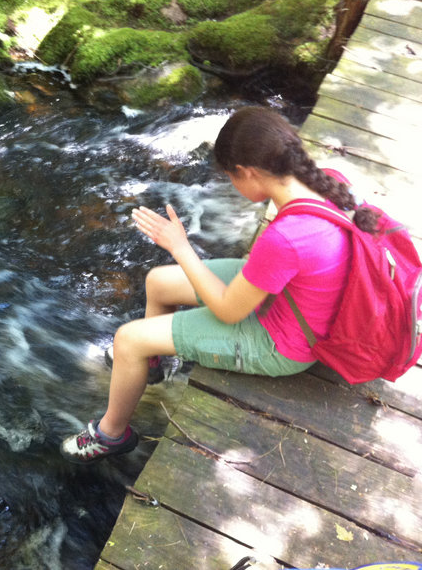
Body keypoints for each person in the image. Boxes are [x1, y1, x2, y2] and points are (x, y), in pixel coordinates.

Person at [60, 106, 379, 464]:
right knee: (158, 281)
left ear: (246, 172)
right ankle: (150, 364)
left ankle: (110, 435)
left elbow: (229, 311)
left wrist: (180, 247)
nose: (232, 185)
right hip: (287, 297)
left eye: (231, 177)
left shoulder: (286, 239)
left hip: (283, 343)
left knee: (127, 339)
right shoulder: (324, 180)